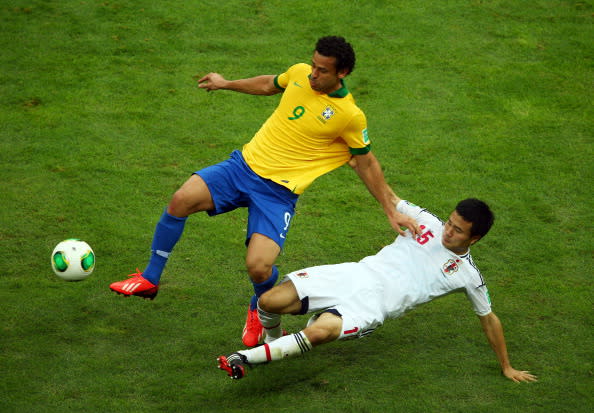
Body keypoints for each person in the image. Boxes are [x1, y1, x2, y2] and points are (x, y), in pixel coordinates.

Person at [109, 36, 419, 347]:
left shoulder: (349, 116)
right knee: (181, 199)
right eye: (313, 65)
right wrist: (225, 83)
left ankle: (259, 310)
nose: (313, 74)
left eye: (322, 70)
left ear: (344, 72)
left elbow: (365, 163)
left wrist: (390, 208)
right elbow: (268, 85)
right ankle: (150, 278)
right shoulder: (299, 73)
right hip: (241, 168)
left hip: (277, 194)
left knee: (259, 267)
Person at [217, 196, 538, 383]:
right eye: (450, 222)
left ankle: (243, 358)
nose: (447, 232)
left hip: (372, 308)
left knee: (319, 333)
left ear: (474, 239)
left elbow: (489, 318)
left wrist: (506, 366)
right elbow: (388, 196)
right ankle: (274, 339)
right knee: (269, 300)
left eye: (457, 230)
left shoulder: (468, 275)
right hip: (354, 275)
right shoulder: (426, 220)